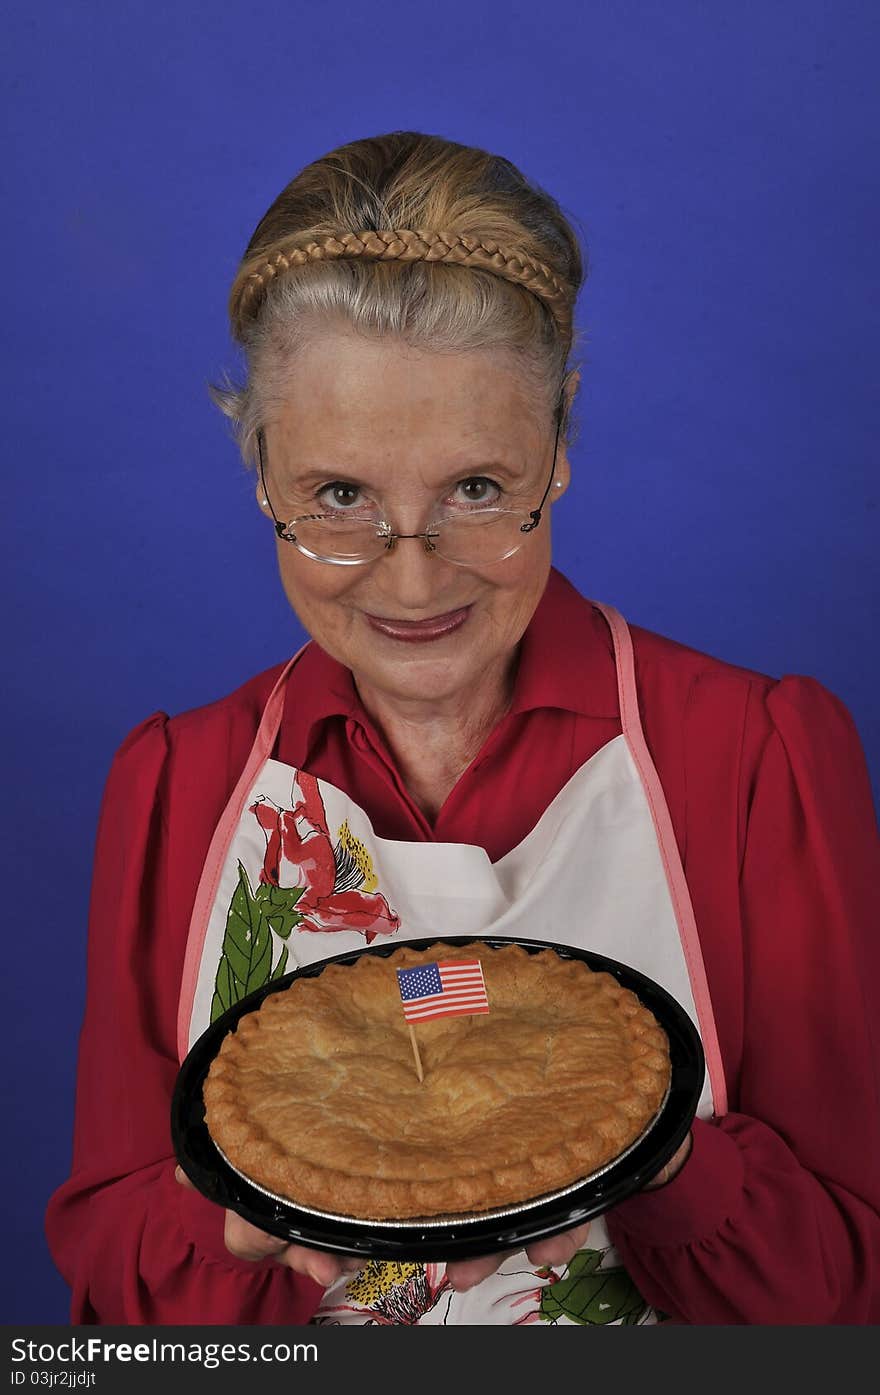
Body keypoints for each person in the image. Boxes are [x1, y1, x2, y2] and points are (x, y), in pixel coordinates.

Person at [46, 130, 880, 1326]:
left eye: (475, 491)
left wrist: (654, 1153)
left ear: (559, 440)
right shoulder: (178, 782)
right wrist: (231, 1221)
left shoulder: (755, 757)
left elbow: (845, 1300)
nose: (411, 580)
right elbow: (119, 1295)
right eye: (339, 498)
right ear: (261, 471)